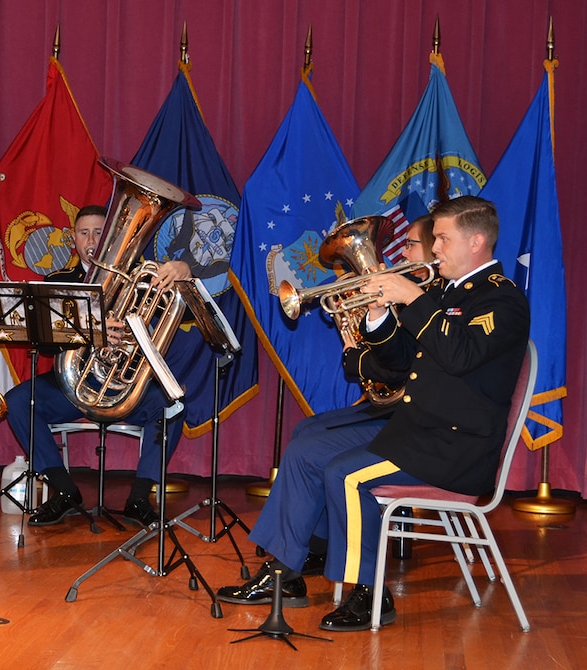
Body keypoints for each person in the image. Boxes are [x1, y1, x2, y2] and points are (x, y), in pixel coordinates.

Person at [216, 196, 529, 631]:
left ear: (476, 241)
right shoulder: (441, 292)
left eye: (442, 238)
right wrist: (380, 316)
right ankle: (286, 571)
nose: (433, 247)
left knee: (345, 475)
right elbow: (400, 361)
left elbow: (460, 355)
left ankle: (370, 593)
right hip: (416, 428)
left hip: (455, 445)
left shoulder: (504, 300)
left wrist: (414, 298)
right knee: (309, 449)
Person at [4, 204, 190, 528]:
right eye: (83, 232)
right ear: (73, 238)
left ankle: (139, 497)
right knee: (19, 401)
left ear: (110, 238)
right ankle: (64, 492)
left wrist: (184, 273)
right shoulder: (58, 281)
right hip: (71, 385)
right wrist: (93, 329)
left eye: (98, 233)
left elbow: (184, 316)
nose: (90, 240)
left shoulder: (141, 278)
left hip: (123, 388)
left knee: (171, 406)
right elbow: (45, 345)